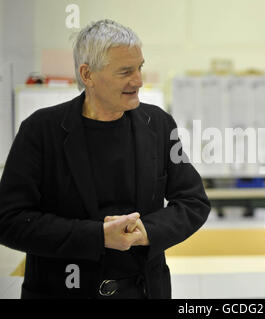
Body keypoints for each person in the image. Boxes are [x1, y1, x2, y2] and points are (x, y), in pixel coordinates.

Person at [0, 19, 210, 299]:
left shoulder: (158, 125)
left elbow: (193, 202)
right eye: (125, 72)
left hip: (144, 289)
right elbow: (10, 220)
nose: (138, 80)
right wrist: (97, 236)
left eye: (139, 67)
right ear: (87, 75)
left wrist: (147, 231)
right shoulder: (41, 131)